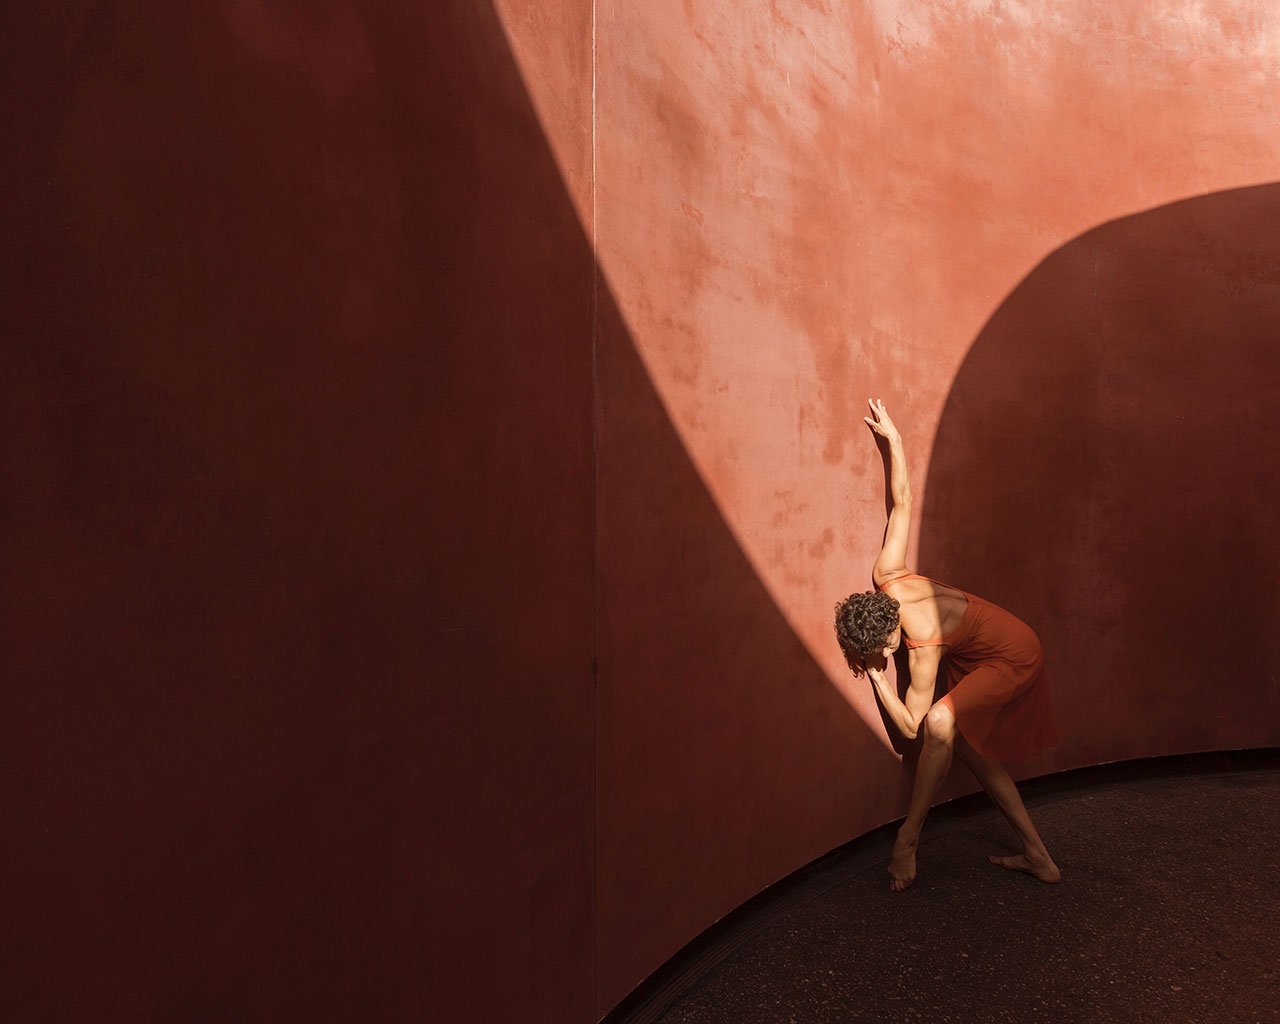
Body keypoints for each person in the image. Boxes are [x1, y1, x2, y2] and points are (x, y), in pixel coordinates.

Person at [834, 398, 1062, 892]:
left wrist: (876, 678)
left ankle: (908, 840)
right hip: (984, 652)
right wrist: (893, 441)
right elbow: (903, 504)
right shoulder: (887, 576)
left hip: (1013, 654)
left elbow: (912, 728)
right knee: (971, 751)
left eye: (885, 650)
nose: (886, 657)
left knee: (940, 722)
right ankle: (1038, 856)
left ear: (892, 633)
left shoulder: (922, 643)